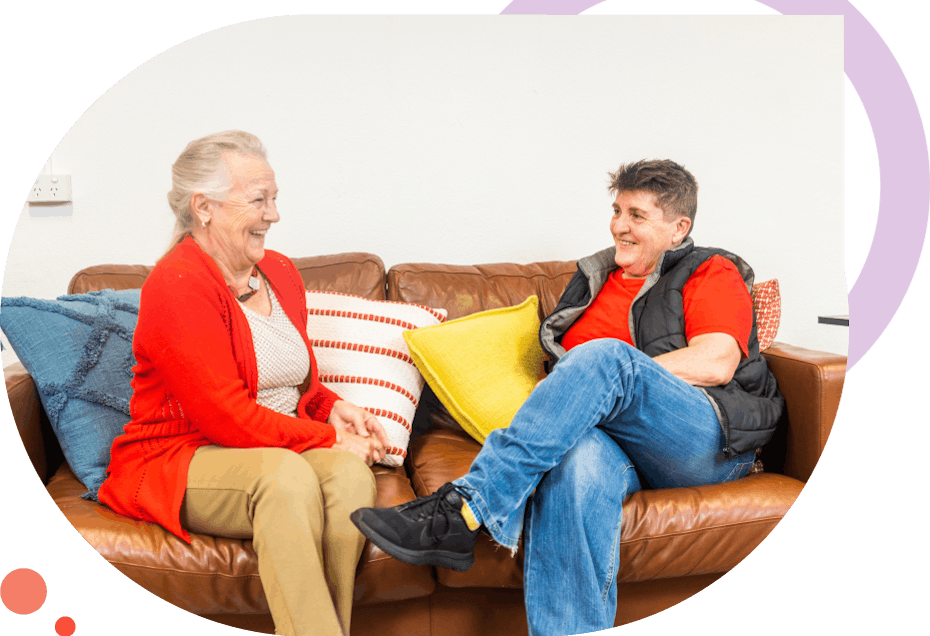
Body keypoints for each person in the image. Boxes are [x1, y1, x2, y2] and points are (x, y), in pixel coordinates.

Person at [351, 159, 785, 636]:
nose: (619, 226)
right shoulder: (592, 281)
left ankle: (468, 506)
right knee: (574, 464)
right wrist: (571, 383)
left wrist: (613, 375)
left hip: (703, 438)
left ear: (679, 228)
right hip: (615, 445)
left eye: (637, 215)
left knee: (605, 358)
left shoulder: (709, 269)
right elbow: (568, 375)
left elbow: (716, 361)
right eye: (617, 211)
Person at [98, 130, 388, 636]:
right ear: (204, 207)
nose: (274, 214)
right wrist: (328, 438)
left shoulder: (278, 270)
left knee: (348, 477)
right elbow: (226, 417)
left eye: (274, 198)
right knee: (283, 477)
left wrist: (330, 408)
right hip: (185, 453)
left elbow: (290, 379)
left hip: (271, 443)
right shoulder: (178, 284)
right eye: (259, 200)